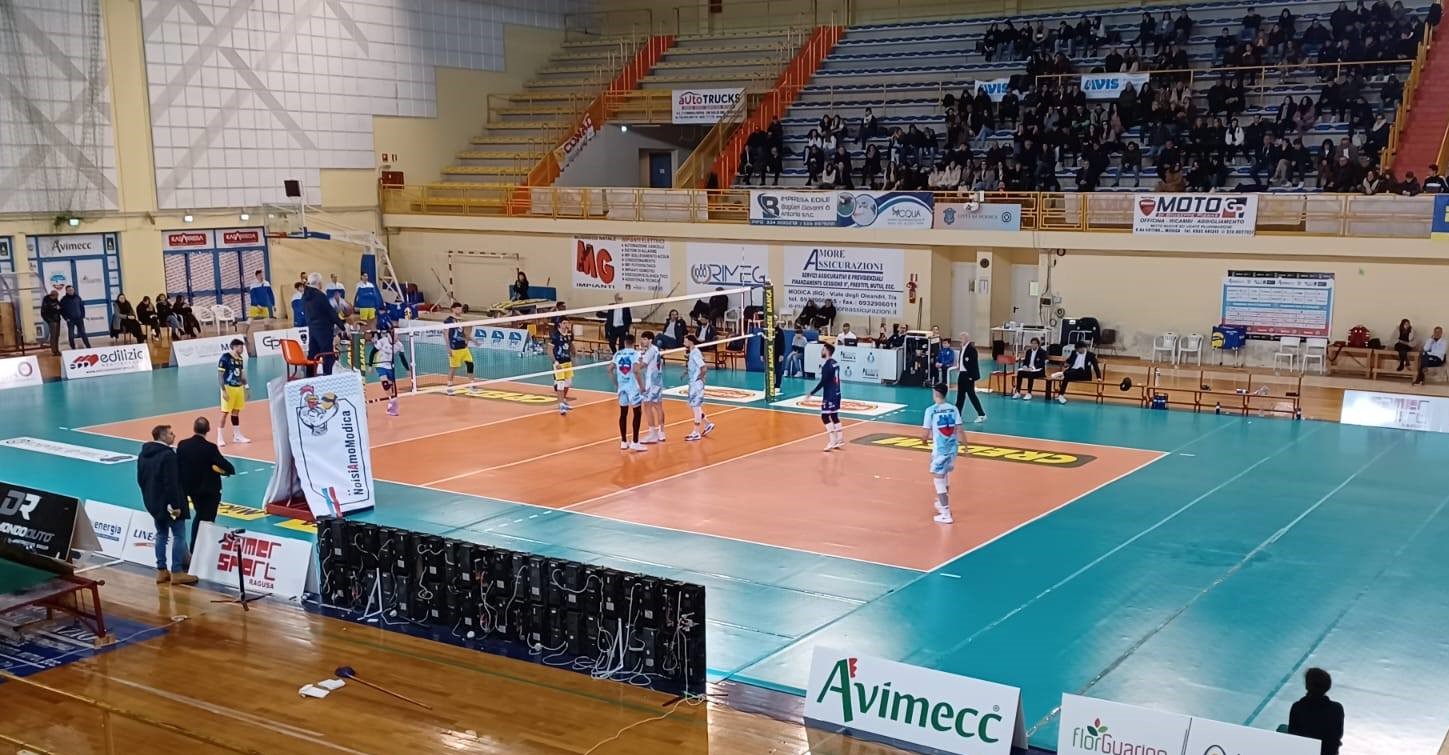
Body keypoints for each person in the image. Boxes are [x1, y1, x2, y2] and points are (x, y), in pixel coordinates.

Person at [136, 425, 197, 585]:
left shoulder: (143, 454)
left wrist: (150, 499)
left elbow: (140, 480)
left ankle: (162, 570)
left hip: (154, 503)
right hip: (170, 504)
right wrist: (175, 505)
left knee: (161, 535)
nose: (174, 435)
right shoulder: (168, 455)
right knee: (179, 535)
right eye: (171, 433)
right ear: (162, 436)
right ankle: (177, 571)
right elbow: (171, 483)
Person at [176, 417, 234, 551]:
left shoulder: (182, 445)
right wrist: (225, 471)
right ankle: (200, 549)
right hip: (209, 491)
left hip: (191, 490)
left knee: (200, 515)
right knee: (207, 519)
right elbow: (228, 467)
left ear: (194, 428)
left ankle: (195, 548)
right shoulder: (210, 448)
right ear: (208, 429)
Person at [921, 383, 963, 525]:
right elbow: (959, 429)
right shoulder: (954, 408)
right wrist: (966, 446)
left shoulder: (931, 410)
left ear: (935, 393)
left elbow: (925, 433)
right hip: (952, 449)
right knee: (945, 475)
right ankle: (941, 503)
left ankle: (945, 513)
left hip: (940, 450)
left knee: (938, 479)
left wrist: (924, 441)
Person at [1287, 668, 1344, 755]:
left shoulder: (1298, 707)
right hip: (1328, 752)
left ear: (1307, 686)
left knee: (1282, 728)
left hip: (1303, 751)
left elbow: (1293, 734)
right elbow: (1337, 735)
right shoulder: (1337, 708)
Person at [301, 273, 344, 376]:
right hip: (324, 330)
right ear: (319, 283)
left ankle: (309, 378)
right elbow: (330, 312)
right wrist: (342, 326)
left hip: (312, 329)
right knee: (328, 356)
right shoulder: (320, 295)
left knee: (313, 355)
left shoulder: (304, 296)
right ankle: (327, 377)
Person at [612, 333, 646, 451]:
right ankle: (635, 441)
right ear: (634, 342)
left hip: (622, 387)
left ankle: (623, 441)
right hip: (633, 388)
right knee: (637, 413)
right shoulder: (636, 354)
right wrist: (641, 385)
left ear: (624, 342)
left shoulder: (618, 354)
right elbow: (636, 370)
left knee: (623, 413)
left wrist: (616, 383)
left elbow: (609, 369)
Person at [809, 342, 844, 451]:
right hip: (837, 393)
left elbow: (823, 382)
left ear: (827, 351)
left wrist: (811, 393)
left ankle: (832, 440)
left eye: (823, 349)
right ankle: (840, 439)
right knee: (834, 415)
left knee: (824, 416)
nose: (821, 351)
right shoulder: (835, 363)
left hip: (829, 395)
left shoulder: (826, 366)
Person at [216, 339, 251, 447]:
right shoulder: (225, 358)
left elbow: (241, 374)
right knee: (225, 412)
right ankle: (219, 438)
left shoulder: (240, 359)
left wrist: (246, 387)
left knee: (236, 411)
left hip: (238, 388)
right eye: (241, 347)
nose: (242, 349)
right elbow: (220, 375)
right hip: (228, 387)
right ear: (234, 347)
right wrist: (223, 391)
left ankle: (237, 435)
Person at [681, 334, 715, 441]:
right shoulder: (692, 352)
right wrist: (686, 372)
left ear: (690, 341)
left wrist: (700, 378)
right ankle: (708, 424)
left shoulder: (695, 353)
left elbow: (703, 367)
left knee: (696, 407)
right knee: (694, 406)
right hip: (693, 383)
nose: (683, 342)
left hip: (696, 385)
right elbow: (694, 367)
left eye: (685, 340)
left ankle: (696, 432)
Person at [639, 331, 666, 443]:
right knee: (658, 406)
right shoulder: (656, 349)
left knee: (647, 406)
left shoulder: (650, 351)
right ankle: (661, 432)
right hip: (658, 381)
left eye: (645, 339)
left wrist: (632, 365)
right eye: (642, 339)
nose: (642, 341)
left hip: (651, 382)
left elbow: (642, 365)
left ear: (650, 340)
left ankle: (652, 433)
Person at [443, 302, 475, 393]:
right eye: (458, 309)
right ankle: (449, 386)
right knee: (453, 368)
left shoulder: (461, 320)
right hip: (455, 348)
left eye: (460, 309)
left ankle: (472, 385)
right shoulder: (448, 320)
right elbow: (445, 334)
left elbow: (463, 332)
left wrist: (468, 340)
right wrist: (448, 348)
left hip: (464, 347)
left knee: (470, 364)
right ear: (453, 309)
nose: (460, 310)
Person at [954, 333, 987, 422]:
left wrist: (971, 376)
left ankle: (981, 414)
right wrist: (959, 366)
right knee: (960, 396)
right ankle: (958, 415)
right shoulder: (962, 348)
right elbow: (962, 360)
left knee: (971, 395)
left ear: (966, 339)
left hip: (968, 375)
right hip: (962, 374)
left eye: (962, 338)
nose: (960, 340)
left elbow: (973, 364)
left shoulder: (971, 349)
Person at [372, 324, 400, 416]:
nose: (397, 336)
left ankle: (390, 406)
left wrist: (408, 369)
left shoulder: (399, 345)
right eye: (396, 334)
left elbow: (402, 357)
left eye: (398, 334)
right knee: (385, 385)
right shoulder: (383, 341)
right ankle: (392, 401)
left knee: (391, 390)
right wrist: (370, 365)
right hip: (380, 364)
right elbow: (372, 352)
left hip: (390, 367)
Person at [552, 328, 574, 415]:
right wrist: (555, 362)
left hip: (568, 362)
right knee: (560, 383)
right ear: (560, 325)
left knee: (568, 383)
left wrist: (574, 353)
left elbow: (571, 345)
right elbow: (549, 350)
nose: (566, 325)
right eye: (564, 323)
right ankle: (561, 405)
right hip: (559, 363)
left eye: (567, 323)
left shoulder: (569, 334)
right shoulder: (555, 336)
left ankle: (563, 400)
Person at [41, 289, 63, 355]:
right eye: (56, 296)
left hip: (57, 320)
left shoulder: (56, 300)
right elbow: (43, 313)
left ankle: (57, 349)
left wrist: (59, 308)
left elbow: (59, 309)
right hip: (51, 321)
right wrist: (49, 321)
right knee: (53, 336)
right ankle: (54, 351)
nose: (57, 297)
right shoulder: (46, 301)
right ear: (52, 295)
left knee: (57, 335)